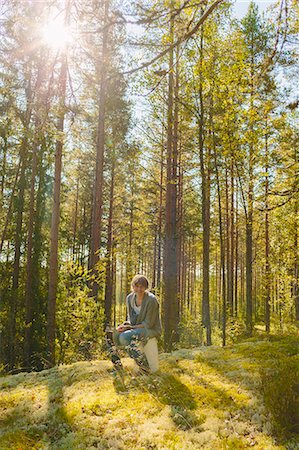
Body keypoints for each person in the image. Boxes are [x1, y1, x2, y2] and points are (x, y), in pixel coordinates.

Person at [106, 274, 161, 374]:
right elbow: (131, 319)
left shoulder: (151, 300)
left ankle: (144, 366)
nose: (139, 289)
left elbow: (148, 324)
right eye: (136, 286)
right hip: (136, 328)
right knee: (112, 334)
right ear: (133, 286)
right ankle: (117, 366)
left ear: (146, 287)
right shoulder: (130, 298)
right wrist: (124, 325)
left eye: (142, 286)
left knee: (124, 337)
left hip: (150, 330)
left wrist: (129, 327)